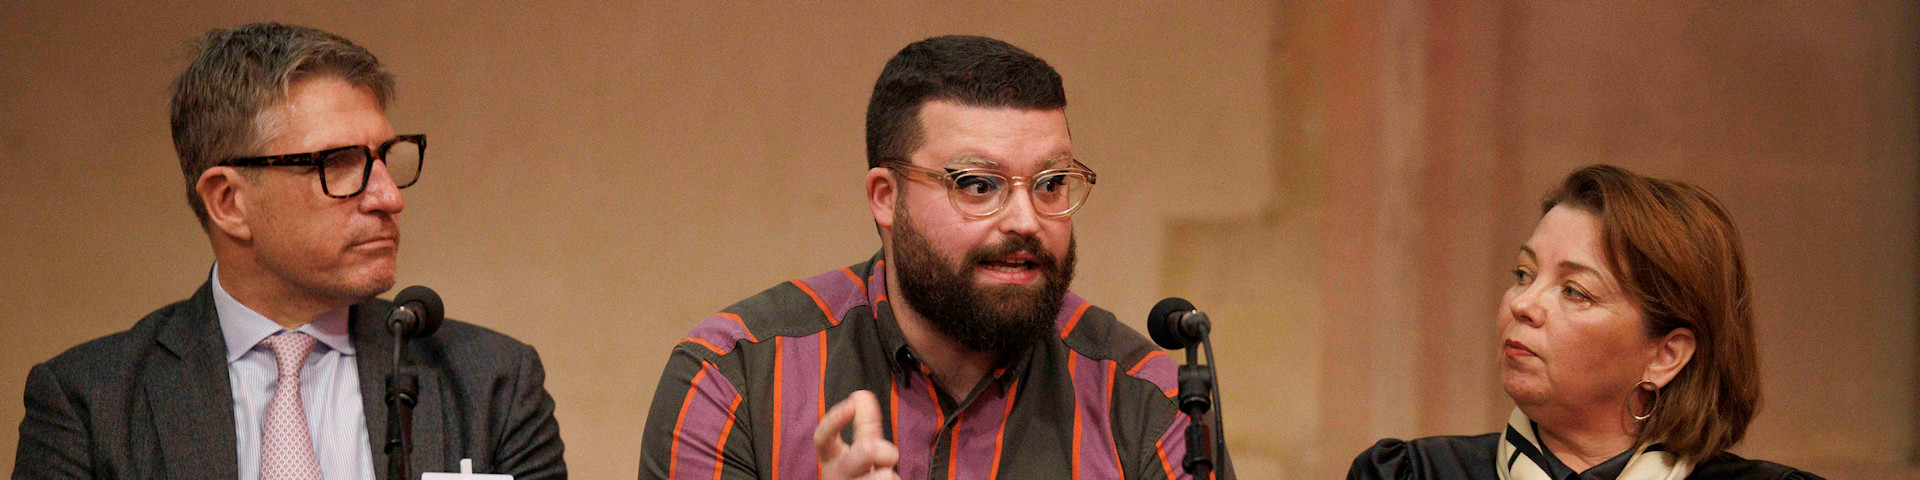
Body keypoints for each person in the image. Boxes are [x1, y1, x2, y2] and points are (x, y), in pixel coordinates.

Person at [639, 35, 1208, 480]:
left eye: (1051, 182)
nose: (1026, 219)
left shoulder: (1148, 401)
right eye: (978, 185)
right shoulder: (734, 376)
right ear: (887, 199)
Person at [13, 23, 565, 479]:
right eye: (338, 163)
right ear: (228, 201)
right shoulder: (88, 402)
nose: (389, 197)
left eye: (387, 157)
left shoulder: (493, 383)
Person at [1347, 165, 1820, 480]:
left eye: (1574, 291)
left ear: (1665, 355)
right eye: (1522, 275)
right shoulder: (1413, 474)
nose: (1523, 304)